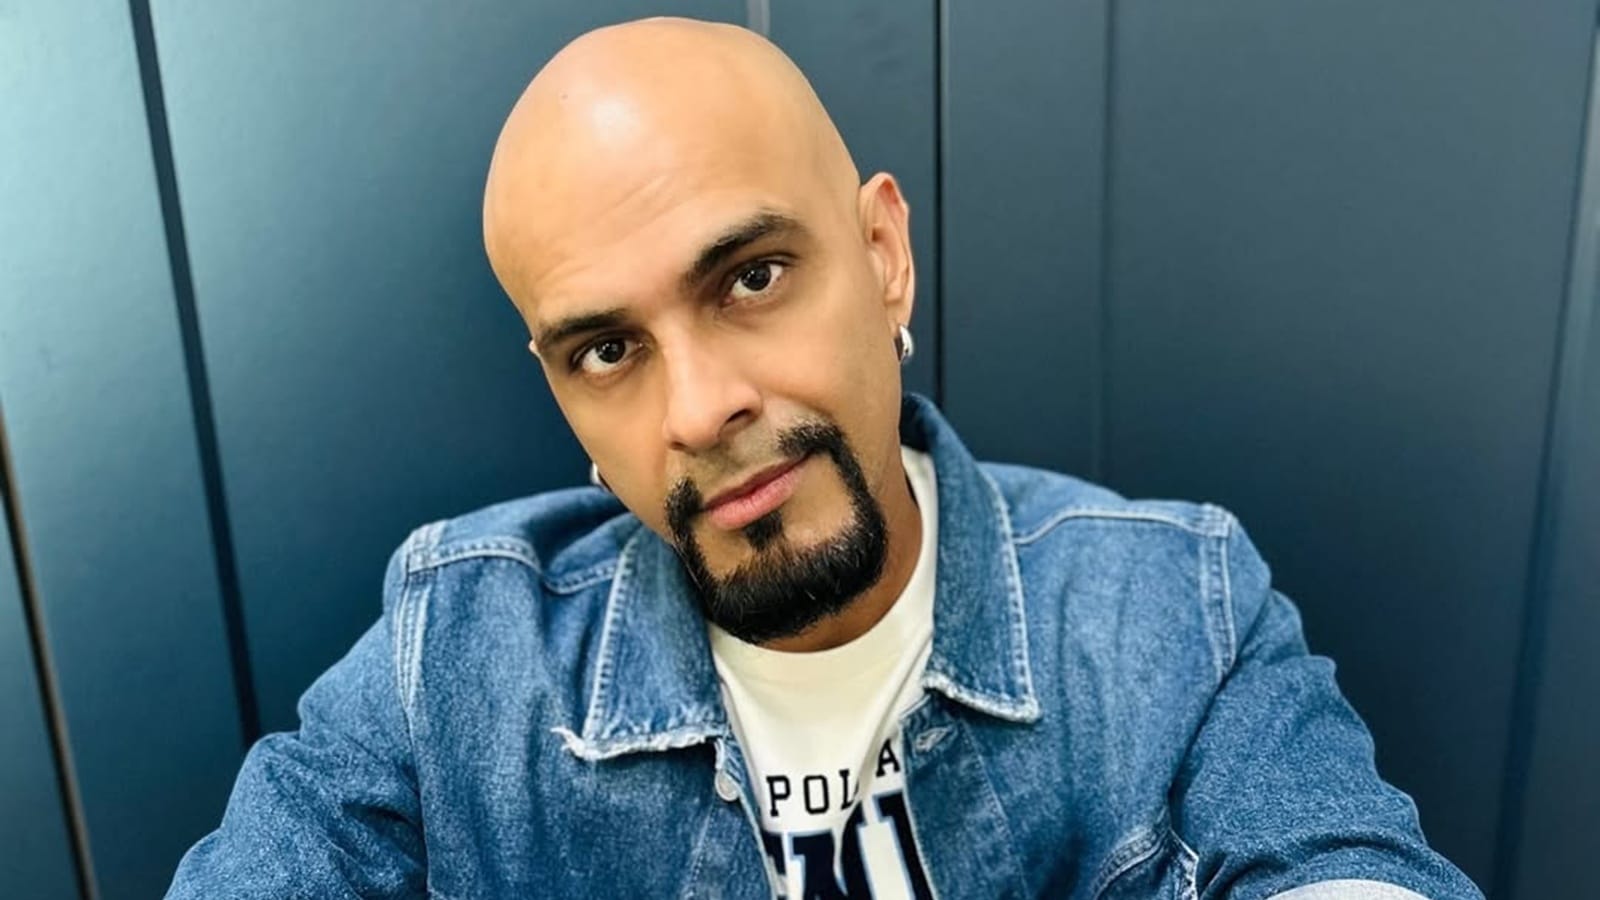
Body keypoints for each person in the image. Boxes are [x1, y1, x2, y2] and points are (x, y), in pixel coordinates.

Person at [167, 16, 1481, 900]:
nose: (699, 410)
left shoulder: (1172, 614)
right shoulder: (455, 656)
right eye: (608, 351)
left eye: (751, 277)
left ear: (883, 255)